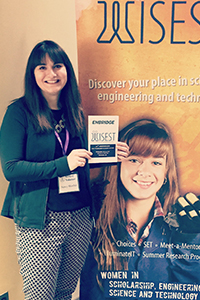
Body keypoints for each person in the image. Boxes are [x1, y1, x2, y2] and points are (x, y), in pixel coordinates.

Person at [1, 40, 99, 300]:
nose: (51, 74)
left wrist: (111, 153)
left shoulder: (74, 111)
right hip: (41, 220)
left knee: (65, 293)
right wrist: (62, 164)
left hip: (79, 216)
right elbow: (11, 169)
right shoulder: (19, 112)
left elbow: (84, 158)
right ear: (32, 74)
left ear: (67, 70)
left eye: (57, 66)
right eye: (41, 67)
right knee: (40, 296)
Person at [80, 119, 200, 300]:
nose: (144, 171)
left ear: (167, 172)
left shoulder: (182, 226)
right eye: (134, 159)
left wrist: (190, 239)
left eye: (156, 163)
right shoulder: (91, 220)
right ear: (118, 165)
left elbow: (190, 291)